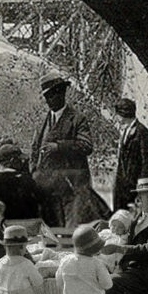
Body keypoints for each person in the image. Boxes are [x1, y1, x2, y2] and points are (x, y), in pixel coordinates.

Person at [30, 74, 110, 227]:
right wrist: (34, 172)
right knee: (50, 229)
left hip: (72, 186)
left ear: (61, 94)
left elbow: (86, 146)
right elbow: (34, 149)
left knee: (74, 228)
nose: (48, 100)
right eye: (46, 96)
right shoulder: (42, 121)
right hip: (46, 187)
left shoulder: (77, 119)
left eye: (51, 95)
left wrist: (59, 147)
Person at [0, 142, 41, 221]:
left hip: (0, 225)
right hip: (27, 226)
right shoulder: (26, 180)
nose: (22, 162)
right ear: (12, 161)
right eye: (20, 160)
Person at [112, 98, 148, 210]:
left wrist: (142, 187)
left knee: (133, 216)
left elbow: (146, 163)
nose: (116, 117)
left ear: (123, 114)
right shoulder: (125, 131)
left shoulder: (142, 132)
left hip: (134, 186)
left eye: (117, 114)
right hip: (121, 186)